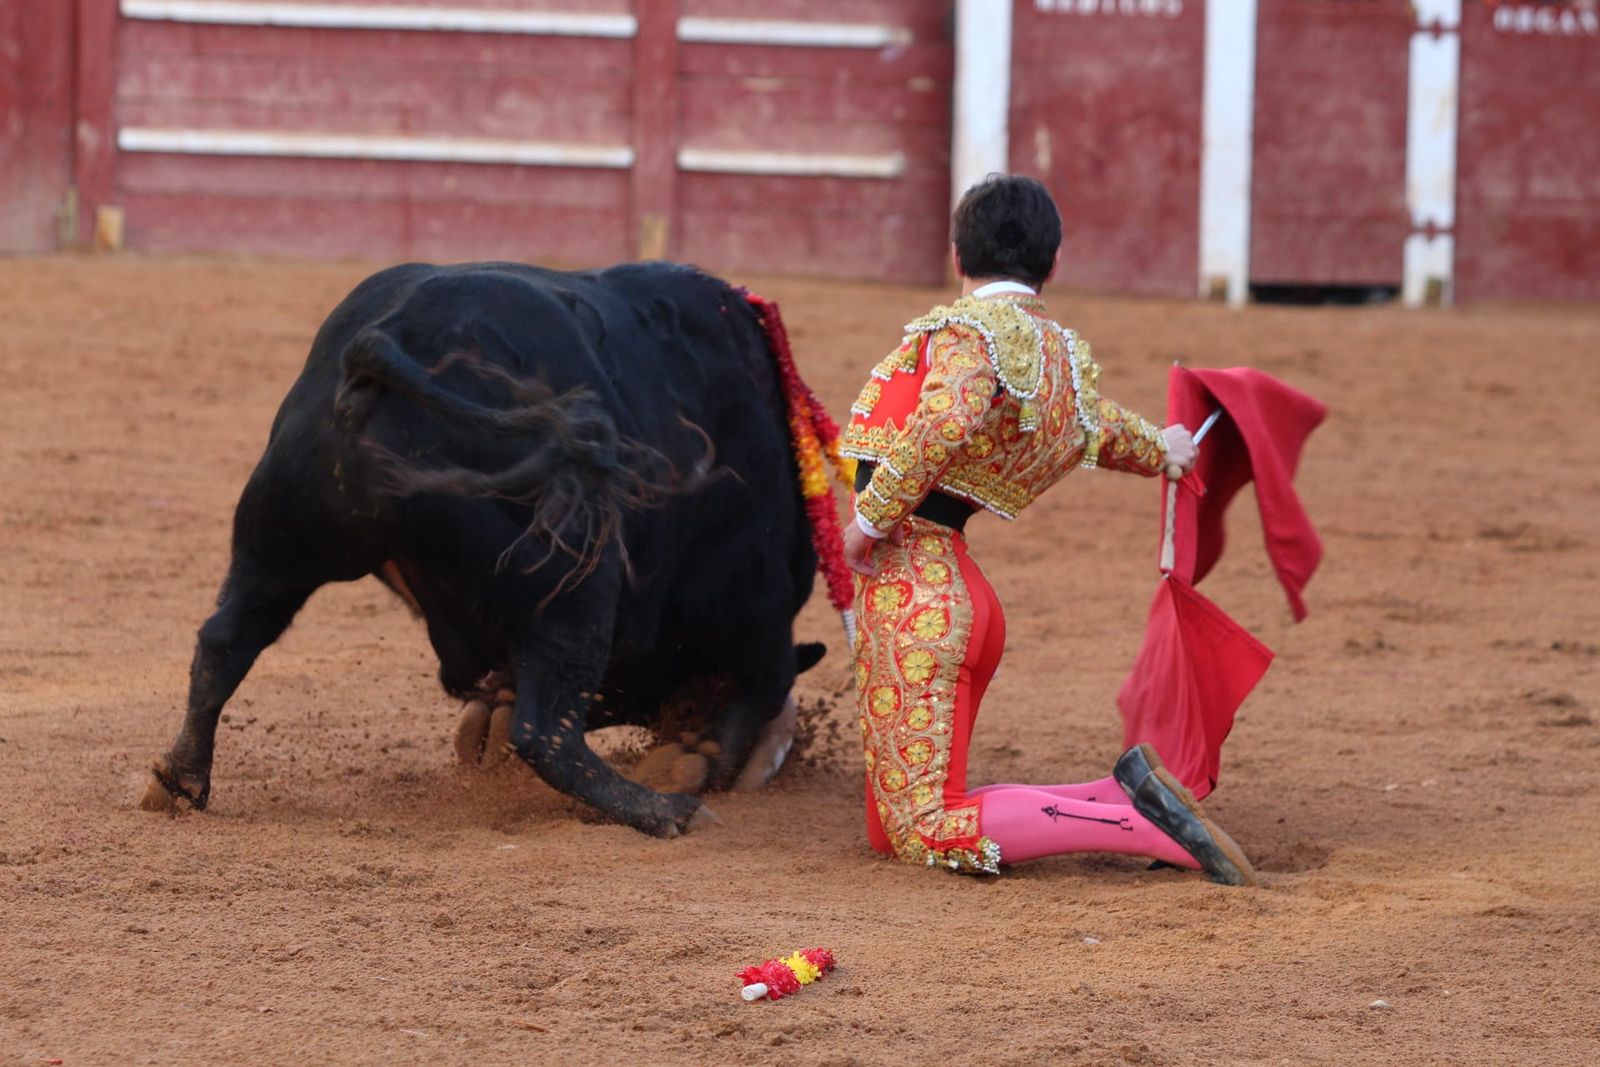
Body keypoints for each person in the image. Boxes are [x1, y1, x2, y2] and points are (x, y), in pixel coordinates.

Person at [839, 174, 1256, 884]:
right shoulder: (1057, 359)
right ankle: (1116, 794)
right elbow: (1100, 431)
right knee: (900, 825)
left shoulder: (969, 333)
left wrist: (866, 520)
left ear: (954, 255)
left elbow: (945, 420)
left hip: (918, 598)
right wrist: (1166, 446)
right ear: (1053, 263)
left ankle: (1133, 822)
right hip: (960, 603)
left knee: (925, 826)